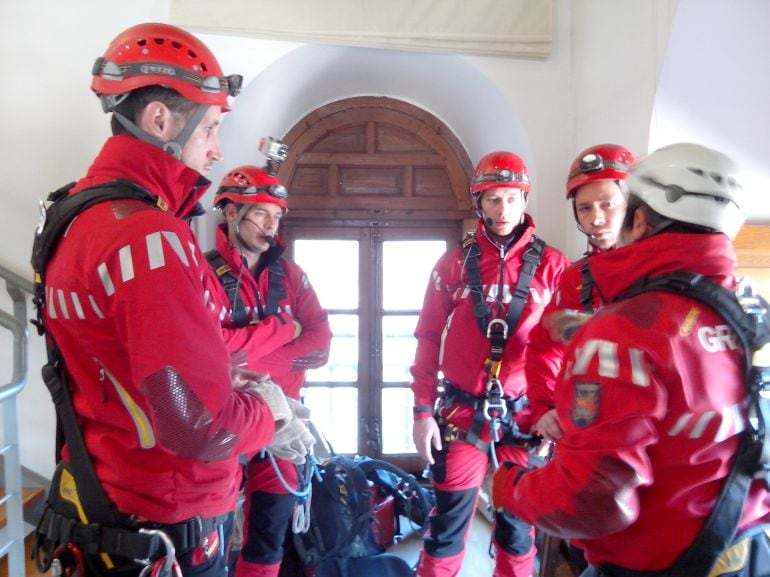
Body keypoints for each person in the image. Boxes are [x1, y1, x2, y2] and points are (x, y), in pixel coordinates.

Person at [33, 23, 312, 577]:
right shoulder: (148, 236)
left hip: (106, 499)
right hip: (161, 519)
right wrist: (269, 414)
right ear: (160, 121)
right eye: (210, 126)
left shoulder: (72, 214)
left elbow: (116, 361)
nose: (216, 147)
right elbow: (196, 430)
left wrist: (217, 374)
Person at [492, 143, 770, 576]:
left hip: (658, 558)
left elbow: (596, 499)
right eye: (586, 208)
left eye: (611, 206)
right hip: (744, 544)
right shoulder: (745, 307)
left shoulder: (626, 327)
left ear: (637, 218)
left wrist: (509, 486)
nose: (600, 218)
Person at [410, 151, 569, 577]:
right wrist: (423, 412)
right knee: (447, 526)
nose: (503, 210)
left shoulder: (554, 268)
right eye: (493, 199)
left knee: (518, 530)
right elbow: (427, 337)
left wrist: (557, 415)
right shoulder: (453, 264)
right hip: (462, 412)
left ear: (525, 201)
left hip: (526, 416)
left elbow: (566, 349)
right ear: (478, 203)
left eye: (512, 199)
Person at [208, 163, 332, 577]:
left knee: (268, 538)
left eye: (277, 216)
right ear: (231, 212)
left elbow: (320, 345)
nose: (270, 225)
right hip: (222, 426)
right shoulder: (201, 274)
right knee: (211, 537)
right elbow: (206, 354)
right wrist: (282, 329)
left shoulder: (292, 277)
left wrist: (246, 355)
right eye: (261, 213)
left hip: (282, 428)